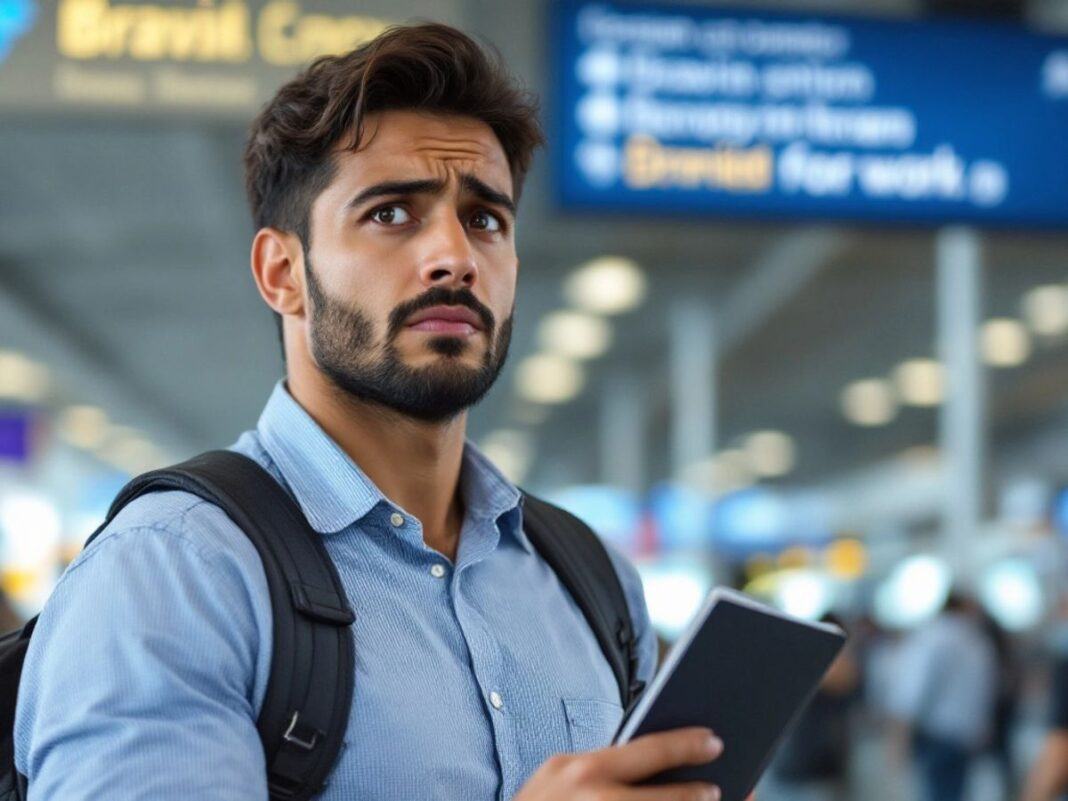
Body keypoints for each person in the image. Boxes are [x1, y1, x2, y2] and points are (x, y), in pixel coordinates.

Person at [13, 23, 730, 801]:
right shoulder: (173, 573)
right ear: (282, 272)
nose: (454, 255)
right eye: (393, 213)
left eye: (486, 218)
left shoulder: (592, 582)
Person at [889, 592, 999, 801]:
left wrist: (899, 734)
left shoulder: (933, 636)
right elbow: (987, 691)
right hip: (966, 735)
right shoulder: (979, 641)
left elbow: (914, 690)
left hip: (936, 733)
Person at [764, 614, 859, 801]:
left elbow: (843, 681)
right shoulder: (799, 666)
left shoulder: (841, 671)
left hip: (817, 772)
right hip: (791, 768)